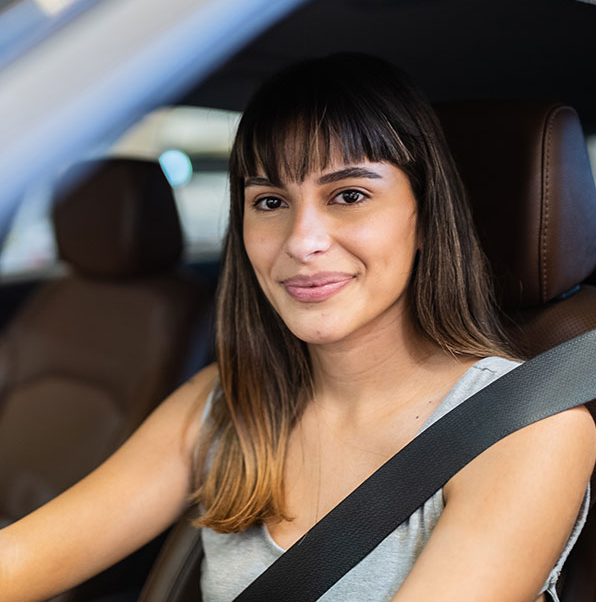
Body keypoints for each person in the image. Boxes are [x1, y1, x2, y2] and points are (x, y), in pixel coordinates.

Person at [1, 53, 595, 602]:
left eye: (350, 194)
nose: (302, 241)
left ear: (425, 216)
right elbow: (21, 559)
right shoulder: (224, 405)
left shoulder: (527, 429)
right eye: (269, 202)